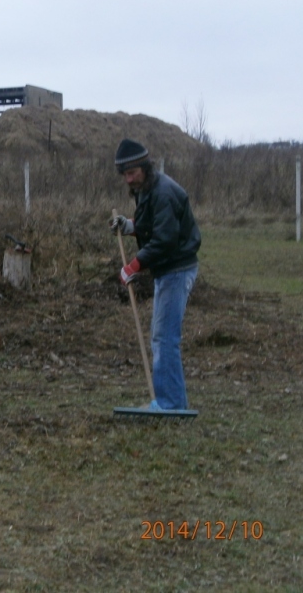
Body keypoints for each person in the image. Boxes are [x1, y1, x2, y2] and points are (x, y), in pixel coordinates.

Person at [110, 139, 201, 411]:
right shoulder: (146, 188)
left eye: (132, 173)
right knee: (161, 336)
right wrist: (128, 225)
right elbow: (150, 225)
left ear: (144, 167)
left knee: (165, 338)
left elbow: (164, 240)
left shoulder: (163, 193)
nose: (128, 179)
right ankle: (170, 400)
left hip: (177, 268)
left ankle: (170, 403)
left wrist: (133, 266)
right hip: (167, 268)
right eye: (125, 175)